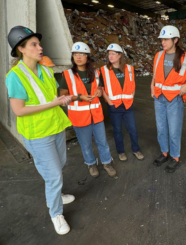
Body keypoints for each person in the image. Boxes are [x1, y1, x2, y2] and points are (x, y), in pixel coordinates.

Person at [5, 26, 75, 235]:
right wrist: (55, 104)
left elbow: (50, 98)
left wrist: (62, 100)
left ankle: (56, 193)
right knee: (53, 175)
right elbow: (19, 110)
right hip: (37, 134)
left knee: (59, 166)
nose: (40, 47)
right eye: (34, 44)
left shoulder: (45, 69)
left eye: (39, 43)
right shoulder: (14, 76)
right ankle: (56, 213)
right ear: (21, 49)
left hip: (55, 126)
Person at [60, 42, 117, 178]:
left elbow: (101, 87)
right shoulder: (67, 75)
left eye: (81, 54)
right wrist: (79, 97)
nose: (78, 57)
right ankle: (91, 163)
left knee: (102, 142)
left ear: (87, 57)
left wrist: (98, 90)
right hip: (79, 117)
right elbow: (62, 97)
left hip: (96, 115)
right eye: (75, 54)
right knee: (85, 144)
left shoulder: (96, 73)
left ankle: (107, 162)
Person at [151, 25, 186, 173]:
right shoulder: (158, 56)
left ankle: (175, 157)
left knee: (174, 130)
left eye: (166, 39)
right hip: (159, 98)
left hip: (175, 100)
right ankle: (164, 153)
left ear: (175, 40)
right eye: (162, 39)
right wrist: (152, 87)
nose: (163, 42)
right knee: (161, 129)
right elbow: (155, 75)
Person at [100, 43, 144, 162]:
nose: (111, 56)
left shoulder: (129, 69)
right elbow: (101, 89)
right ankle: (121, 152)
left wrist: (131, 98)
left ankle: (136, 149)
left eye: (113, 54)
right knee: (118, 131)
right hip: (114, 106)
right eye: (109, 54)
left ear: (120, 55)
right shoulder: (103, 70)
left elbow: (132, 86)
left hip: (128, 105)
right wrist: (109, 102)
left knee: (133, 129)